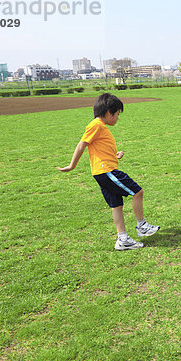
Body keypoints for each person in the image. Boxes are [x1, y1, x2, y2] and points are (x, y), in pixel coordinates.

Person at [58, 93, 160, 250]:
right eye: (117, 114)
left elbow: (99, 149)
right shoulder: (96, 125)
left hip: (103, 171)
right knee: (137, 192)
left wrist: (115, 155)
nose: (118, 118)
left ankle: (123, 239)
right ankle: (142, 226)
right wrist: (72, 165)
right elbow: (82, 144)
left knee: (116, 205)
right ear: (107, 112)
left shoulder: (101, 127)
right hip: (107, 171)